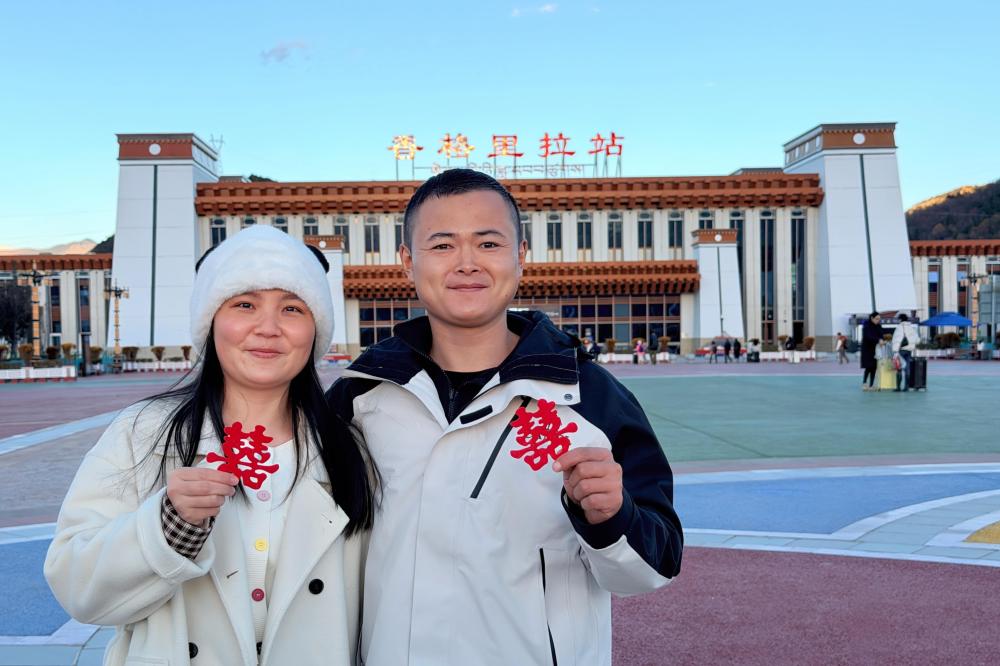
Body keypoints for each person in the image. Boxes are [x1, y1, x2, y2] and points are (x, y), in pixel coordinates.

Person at [327, 169, 682, 665]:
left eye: (489, 243)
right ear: (408, 261)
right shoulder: (360, 396)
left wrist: (611, 517)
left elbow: (655, 565)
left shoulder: (589, 397)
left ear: (521, 256)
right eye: (443, 245)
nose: (467, 262)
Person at [45, 226, 379, 666]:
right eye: (245, 305)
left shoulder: (350, 448)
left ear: (315, 329)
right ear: (211, 322)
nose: (268, 328)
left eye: (292, 308)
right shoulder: (143, 433)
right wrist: (168, 527)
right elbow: (75, 585)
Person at [891, 312, 919, 392]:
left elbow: (896, 339)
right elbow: (917, 339)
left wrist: (895, 351)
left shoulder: (899, 327)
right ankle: (906, 387)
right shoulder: (911, 327)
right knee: (907, 368)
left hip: (901, 350)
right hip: (908, 350)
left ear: (900, 319)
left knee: (899, 368)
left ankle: (898, 387)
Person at [860, 312, 884, 391]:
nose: (878, 320)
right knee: (868, 367)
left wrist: (881, 339)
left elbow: (881, 334)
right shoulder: (866, 326)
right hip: (867, 350)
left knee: (874, 367)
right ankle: (864, 383)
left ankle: (871, 385)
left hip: (876, 349)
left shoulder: (879, 326)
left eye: (879, 319)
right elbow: (867, 337)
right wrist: (878, 340)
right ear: (872, 318)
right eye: (876, 319)